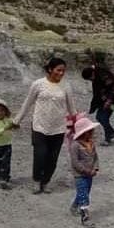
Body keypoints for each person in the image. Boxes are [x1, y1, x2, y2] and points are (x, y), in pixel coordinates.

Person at [14, 57, 77, 194]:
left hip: (59, 128)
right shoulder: (38, 84)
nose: (61, 73)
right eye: (58, 70)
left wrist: (78, 126)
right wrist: (17, 120)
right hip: (39, 126)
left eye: (63, 71)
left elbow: (72, 108)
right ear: (50, 69)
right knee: (40, 155)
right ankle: (37, 180)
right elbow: (27, 103)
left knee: (52, 159)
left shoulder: (66, 86)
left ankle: (46, 181)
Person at [68, 117, 100, 228]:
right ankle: (85, 217)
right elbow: (75, 163)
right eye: (90, 131)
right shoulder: (75, 145)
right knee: (84, 195)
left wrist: (95, 168)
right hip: (80, 175)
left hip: (90, 173)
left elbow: (95, 157)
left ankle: (74, 206)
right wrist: (86, 171)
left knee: (84, 192)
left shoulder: (91, 144)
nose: (93, 133)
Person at [81, 65, 114, 146]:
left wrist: (109, 100)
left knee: (102, 117)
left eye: (90, 78)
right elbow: (97, 93)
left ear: (93, 73)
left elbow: (112, 88)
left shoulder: (104, 75)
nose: (91, 80)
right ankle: (110, 134)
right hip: (103, 100)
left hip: (110, 100)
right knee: (100, 117)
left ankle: (110, 135)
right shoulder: (96, 75)